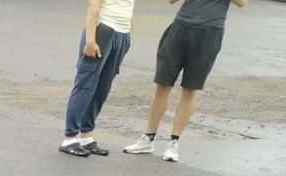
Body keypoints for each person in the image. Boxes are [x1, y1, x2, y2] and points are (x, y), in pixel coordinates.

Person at [123, 0, 247, 162]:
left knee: (190, 88)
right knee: (162, 84)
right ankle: (148, 138)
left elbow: (242, 2)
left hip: (210, 32)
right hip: (180, 26)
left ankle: (173, 142)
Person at [61, 0, 135, 158]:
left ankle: (86, 136)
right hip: (103, 31)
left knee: (103, 88)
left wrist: (127, 37)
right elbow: (93, 7)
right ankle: (70, 138)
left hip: (122, 34)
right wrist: (89, 40)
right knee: (85, 85)